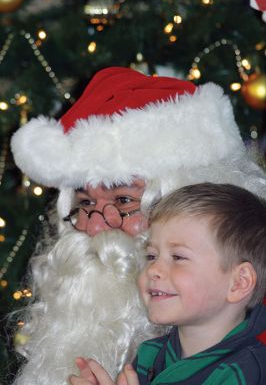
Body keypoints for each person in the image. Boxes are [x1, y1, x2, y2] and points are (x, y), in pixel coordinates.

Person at [10, 66, 266, 385]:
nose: (97, 228)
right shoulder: (160, 352)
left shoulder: (242, 364)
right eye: (86, 204)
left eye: (124, 201)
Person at [69, 183, 266, 385]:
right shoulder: (150, 354)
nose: (153, 269)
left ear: (239, 283)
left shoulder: (245, 371)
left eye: (178, 257)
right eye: (151, 256)